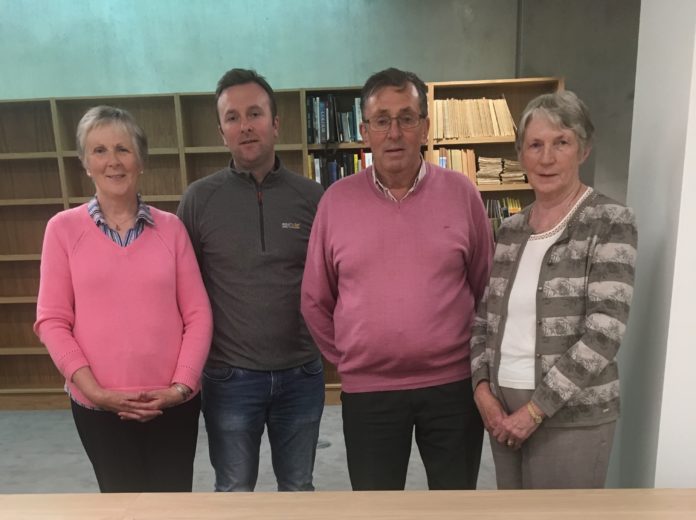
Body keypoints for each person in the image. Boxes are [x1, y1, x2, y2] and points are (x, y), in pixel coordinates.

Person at [301, 67, 493, 491]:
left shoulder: (463, 195)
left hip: (453, 387)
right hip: (369, 391)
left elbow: (486, 290)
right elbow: (315, 299)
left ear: (424, 126)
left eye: (407, 118)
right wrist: (352, 355)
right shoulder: (336, 202)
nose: (395, 132)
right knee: (376, 516)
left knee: (455, 507)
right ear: (365, 131)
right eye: (382, 120)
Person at [35, 106, 212, 493]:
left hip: (173, 404)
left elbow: (198, 315)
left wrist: (180, 387)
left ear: (141, 160)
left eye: (123, 149)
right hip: (99, 407)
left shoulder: (172, 229)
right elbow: (52, 320)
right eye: (99, 151)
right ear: (84, 162)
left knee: (172, 508)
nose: (112, 161)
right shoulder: (62, 231)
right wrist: (96, 392)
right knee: (121, 513)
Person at [471, 90, 637, 489]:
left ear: (583, 149)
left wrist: (534, 411)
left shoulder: (609, 221)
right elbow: (483, 317)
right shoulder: (510, 230)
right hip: (501, 409)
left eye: (561, 142)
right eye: (535, 145)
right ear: (521, 155)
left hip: (572, 415)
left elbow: (604, 333)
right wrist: (482, 391)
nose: (546, 158)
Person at [178, 69, 324, 492]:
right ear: (221, 131)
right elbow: (183, 289)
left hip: (301, 374)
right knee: (234, 490)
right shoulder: (198, 200)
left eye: (255, 114)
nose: (245, 126)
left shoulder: (313, 198)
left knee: (298, 488)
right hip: (229, 378)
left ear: (276, 124)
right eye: (232, 117)